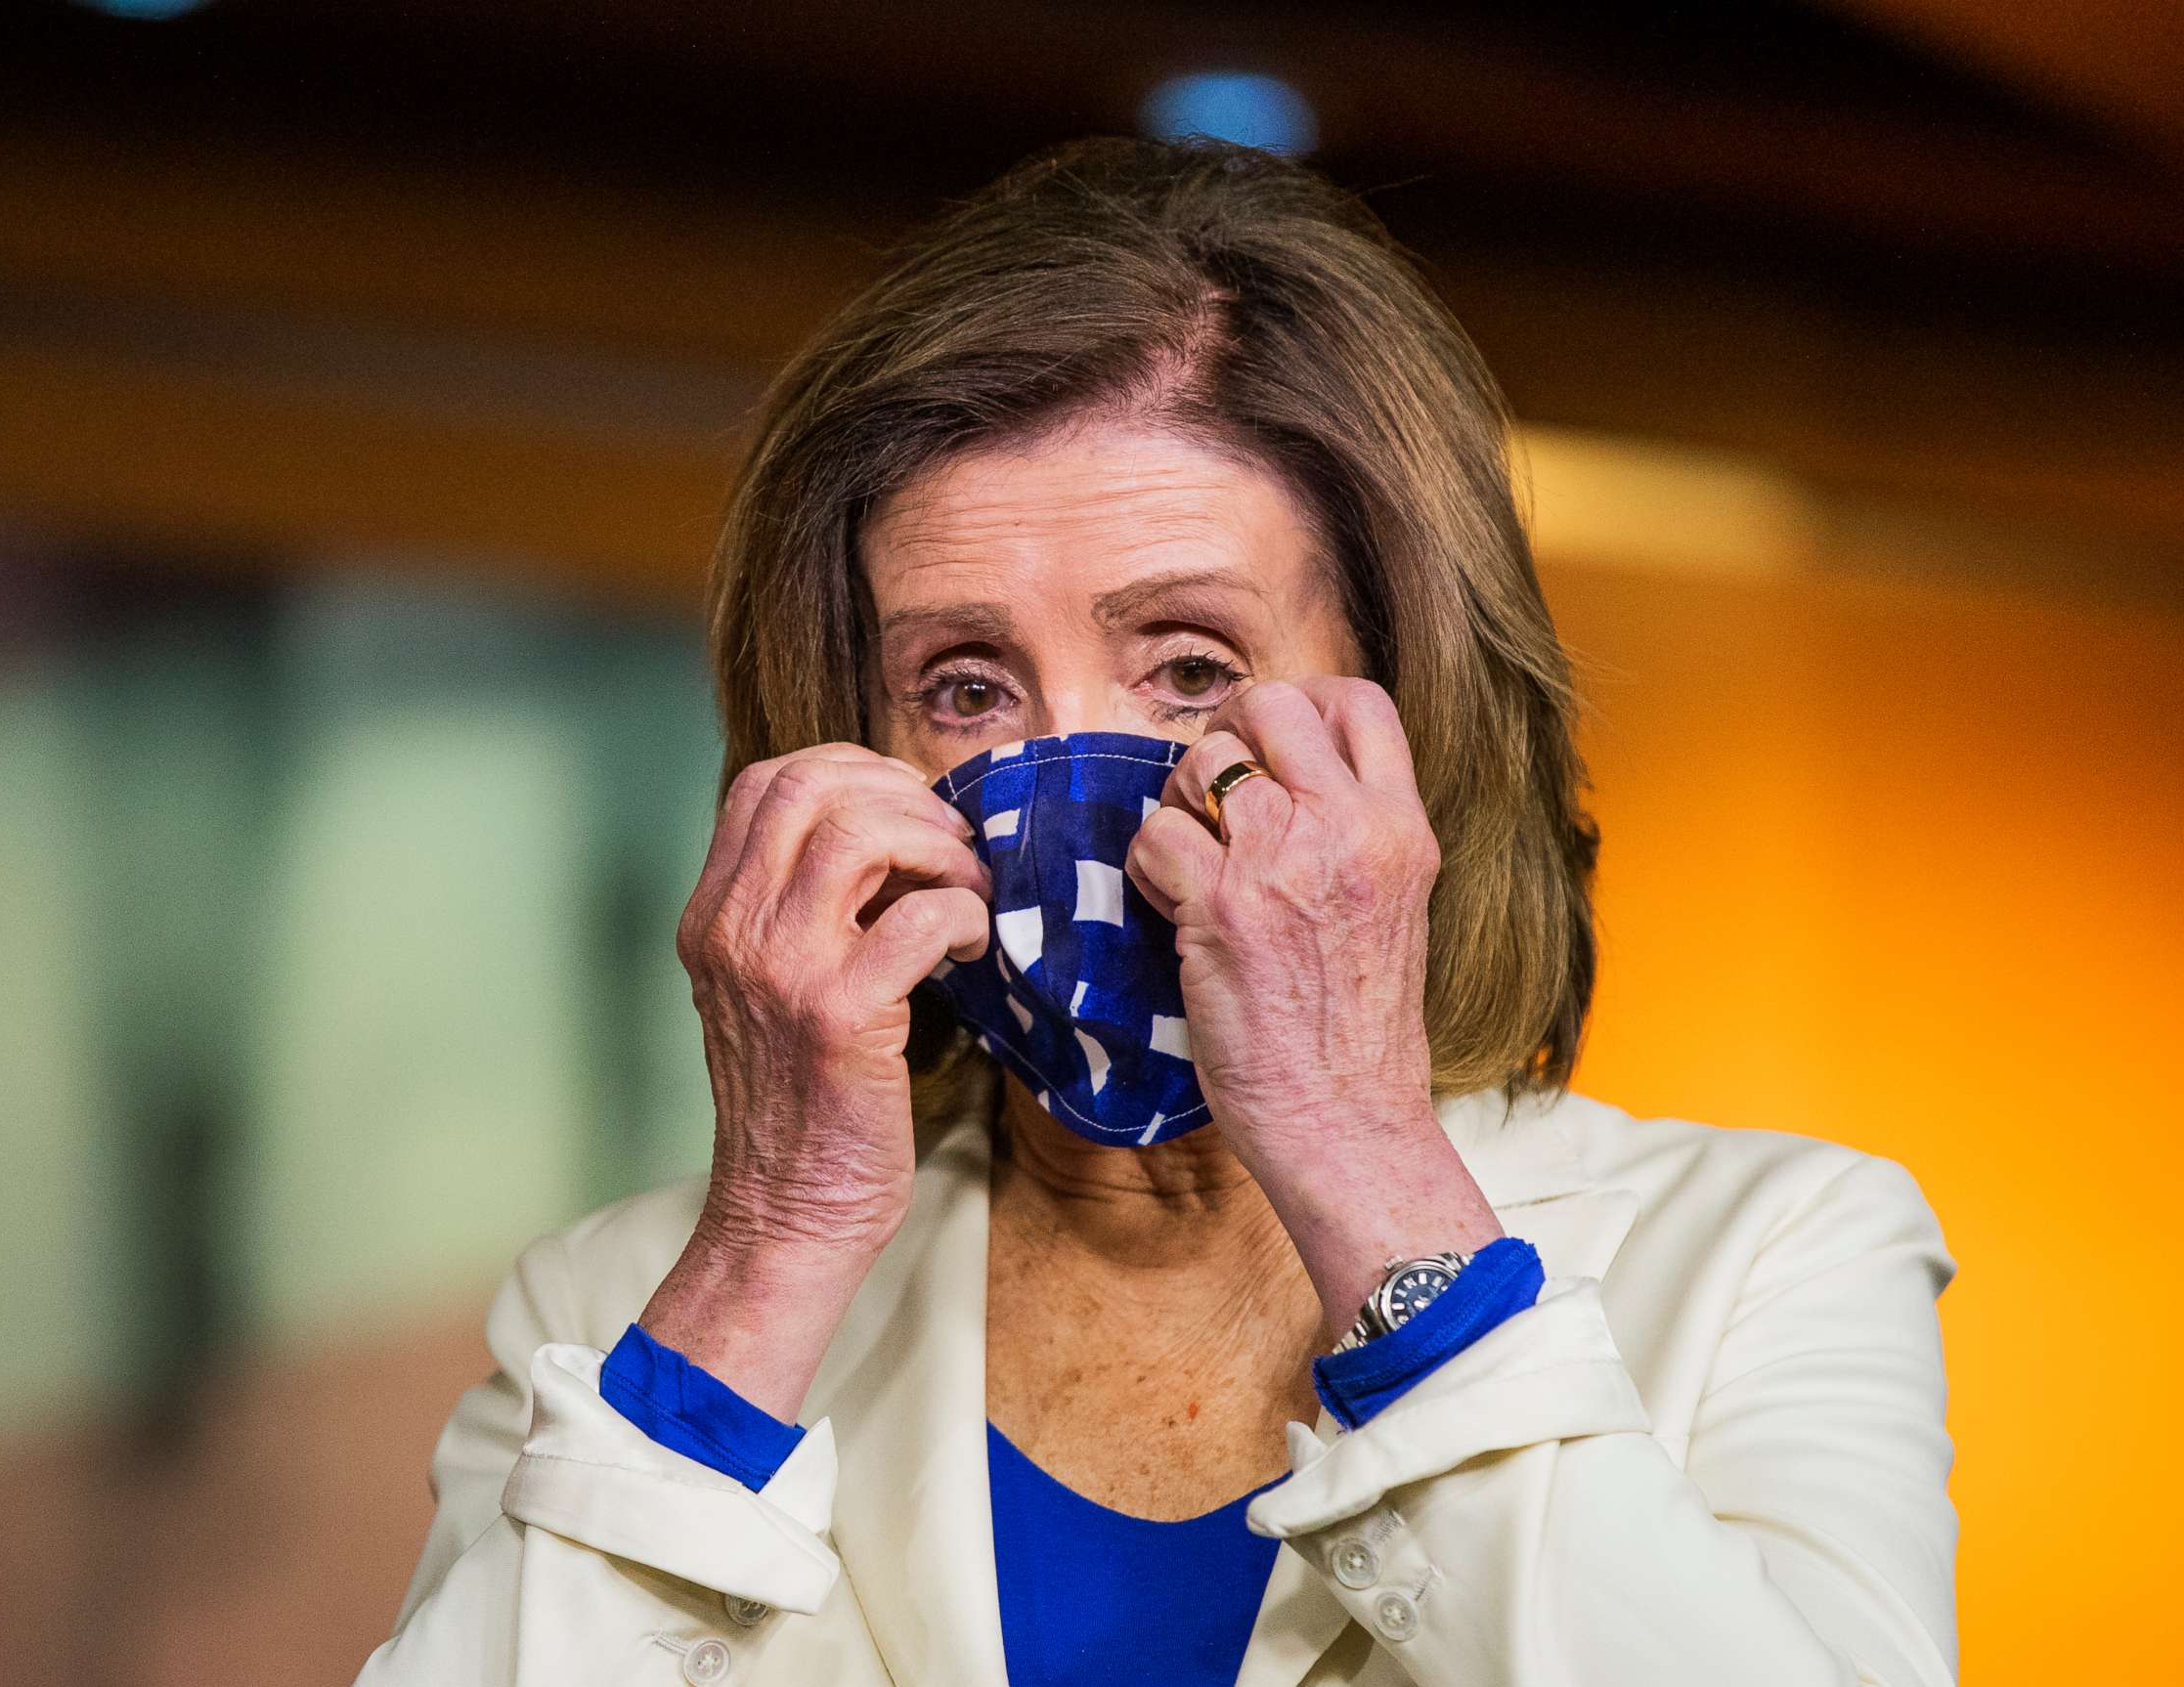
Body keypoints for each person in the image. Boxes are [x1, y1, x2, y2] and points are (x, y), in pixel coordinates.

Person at [354, 135, 1958, 1687]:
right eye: (965, 684)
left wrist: (1359, 1158)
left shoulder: (1768, 1259)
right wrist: (772, 1251)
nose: (1067, 774)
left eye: (1191, 665)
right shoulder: (619, 1309)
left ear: (1406, 701)